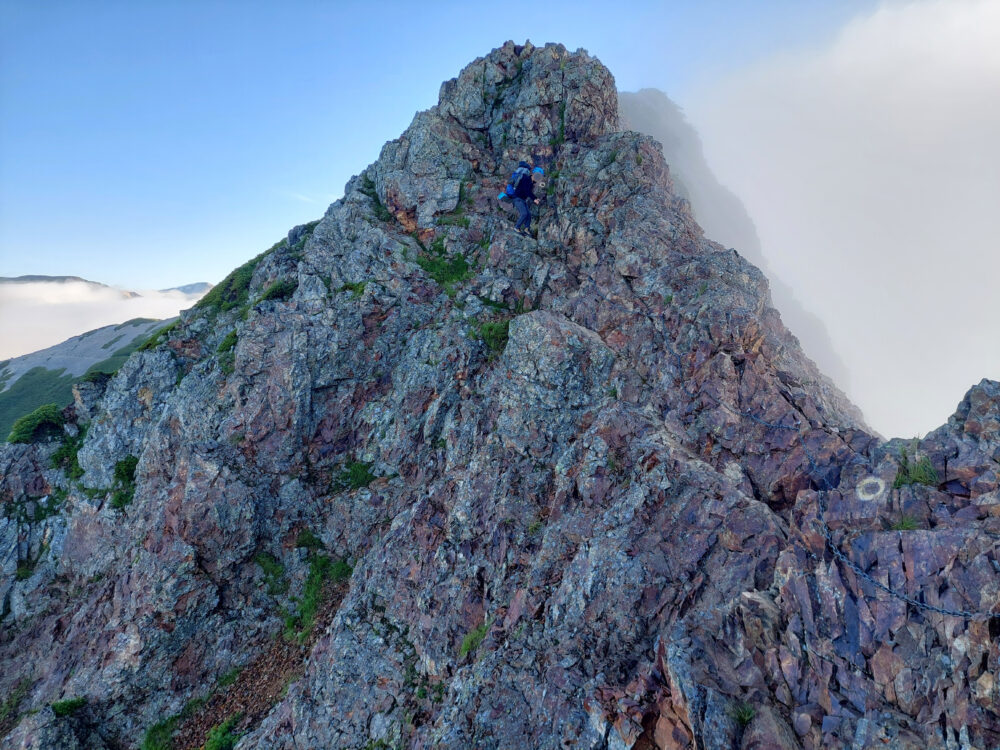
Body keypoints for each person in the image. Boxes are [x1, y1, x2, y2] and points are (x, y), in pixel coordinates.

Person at [512, 163, 544, 236]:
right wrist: (534, 199)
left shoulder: (531, 182)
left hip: (522, 199)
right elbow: (527, 191)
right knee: (524, 214)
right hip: (517, 198)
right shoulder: (525, 179)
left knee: (529, 215)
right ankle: (516, 227)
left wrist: (535, 198)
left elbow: (528, 192)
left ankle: (527, 229)